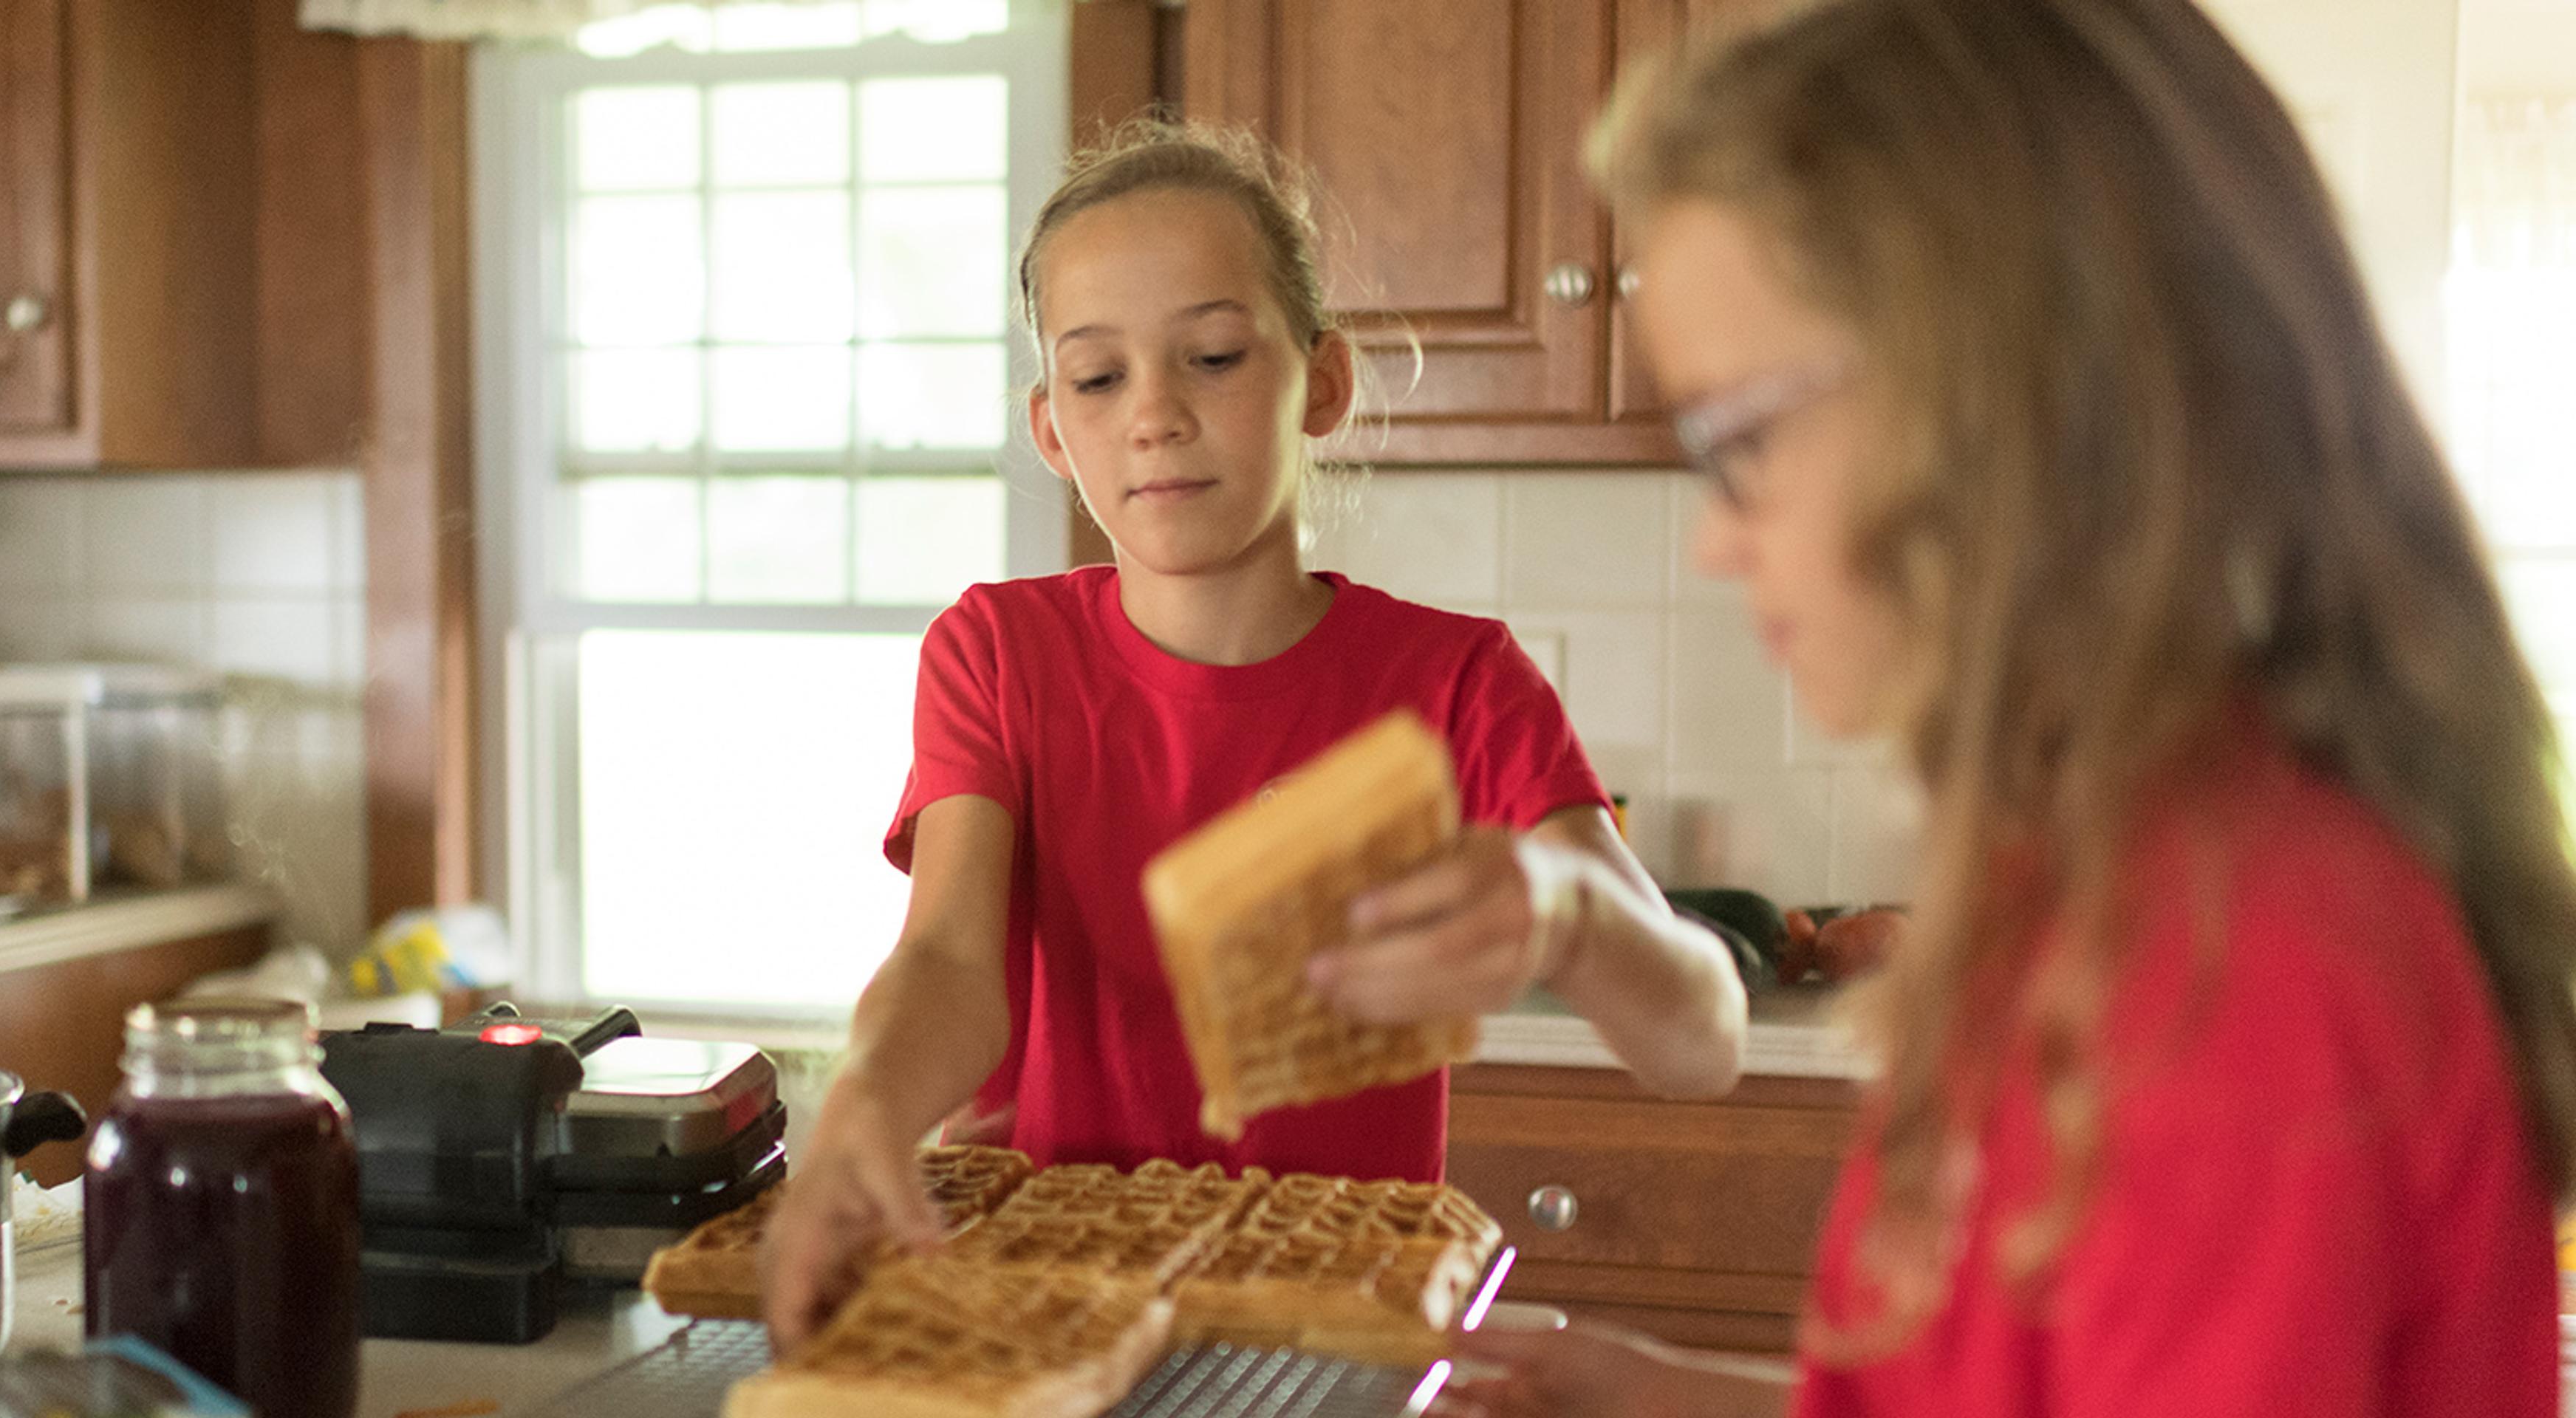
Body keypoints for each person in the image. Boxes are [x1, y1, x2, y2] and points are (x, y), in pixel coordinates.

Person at [1446, 0, 2576, 1414]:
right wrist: (1650, 1395)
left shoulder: (2234, 974)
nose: (1716, 542)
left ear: (2003, 397)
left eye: (1746, 442)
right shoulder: (2108, 881)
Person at [758, 121, 1750, 1349]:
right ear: (1052, 430)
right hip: (1046, 1327)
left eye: (1215, 356)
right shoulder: (1000, 655)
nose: (1157, 415)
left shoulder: (1455, 685)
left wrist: (1572, 911)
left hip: (1330, 1345)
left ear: (1322, 383)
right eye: (1099, 376)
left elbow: (1703, 1041)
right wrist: (866, 1098)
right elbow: (953, 967)